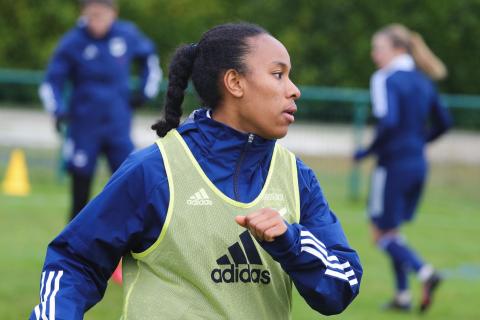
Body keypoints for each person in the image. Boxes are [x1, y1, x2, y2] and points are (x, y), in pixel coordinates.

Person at [30, 22, 362, 319]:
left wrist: (291, 242)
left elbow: (341, 287)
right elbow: (75, 260)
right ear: (234, 82)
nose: (294, 89)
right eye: (278, 74)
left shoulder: (296, 177)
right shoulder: (155, 170)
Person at [353, 24, 452, 313]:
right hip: (418, 164)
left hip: (392, 166)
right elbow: (445, 122)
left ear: (398, 50)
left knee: (379, 234)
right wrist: (419, 142)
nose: (374, 55)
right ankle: (402, 297)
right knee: (392, 231)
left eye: (378, 48)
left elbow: (389, 121)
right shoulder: (423, 80)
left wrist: (367, 152)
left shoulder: (385, 78)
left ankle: (425, 273)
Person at [39, 0, 162, 221]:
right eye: (91, 15)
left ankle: (127, 245)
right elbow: (52, 81)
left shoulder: (127, 34)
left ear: (113, 13)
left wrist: (144, 92)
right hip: (84, 128)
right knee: (80, 193)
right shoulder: (73, 42)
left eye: (101, 15)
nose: (96, 21)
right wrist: (58, 110)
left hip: (118, 127)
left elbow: (150, 61)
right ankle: (74, 249)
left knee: (130, 182)